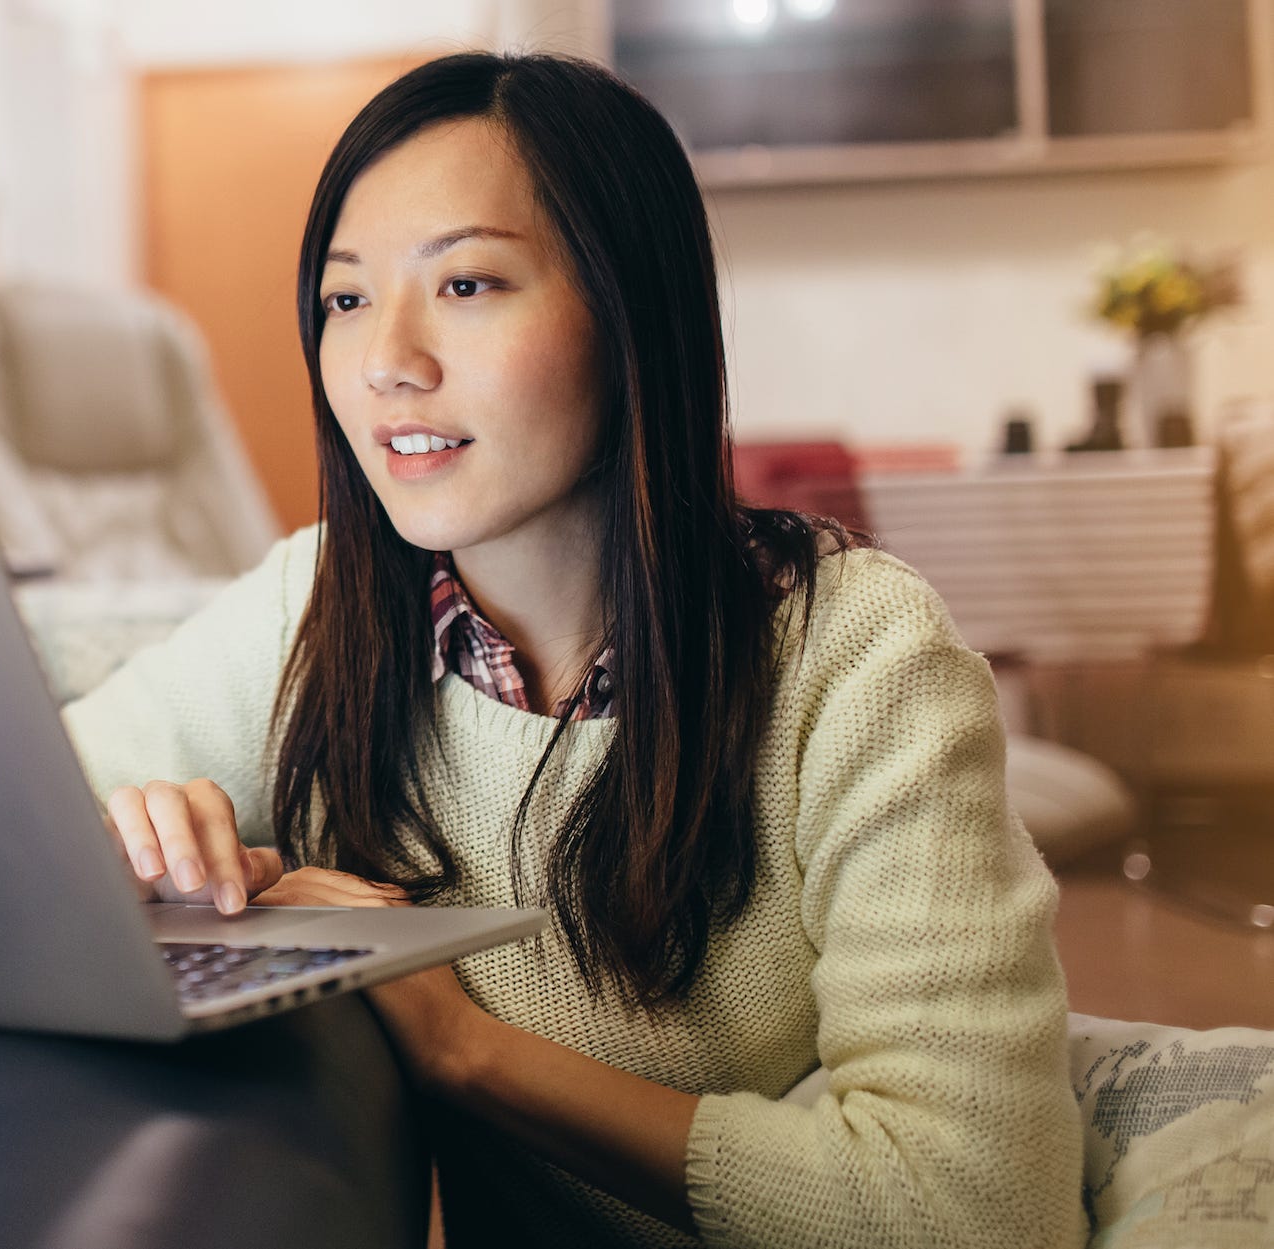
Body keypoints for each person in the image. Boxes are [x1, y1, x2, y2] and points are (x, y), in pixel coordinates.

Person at [63, 52, 1082, 1247]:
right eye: (345, 299)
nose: (389, 358)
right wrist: (133, 849)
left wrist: (464, 1048)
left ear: (629, 308)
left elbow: (976, 1209)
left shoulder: (858, 657)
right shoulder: (319, 604)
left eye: (467, 284)